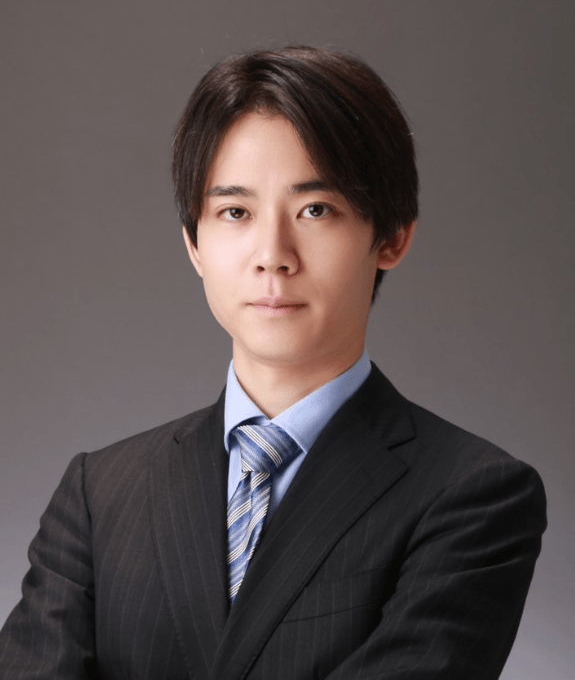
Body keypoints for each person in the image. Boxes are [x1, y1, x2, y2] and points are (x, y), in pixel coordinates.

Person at [0, 46, 546, 680]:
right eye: (235, 212)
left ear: (392, 235)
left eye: (315, 210)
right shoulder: (100, 493)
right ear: (194, 243)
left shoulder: (474, 494)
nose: (272, 255)